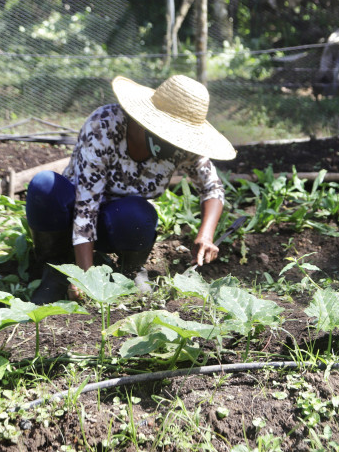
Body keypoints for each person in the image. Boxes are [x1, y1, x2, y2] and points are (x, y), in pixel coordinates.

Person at [25, 75, 236, 304]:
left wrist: (205, 235)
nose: (174, 143)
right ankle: (57, 269)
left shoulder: (182, 146)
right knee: (45, 186)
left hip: (118, 223)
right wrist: (86, 278)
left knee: (137, 214)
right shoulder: (105, 125)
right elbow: (86, 207)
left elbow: (212, 187)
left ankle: (131, 270)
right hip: (71, 216)